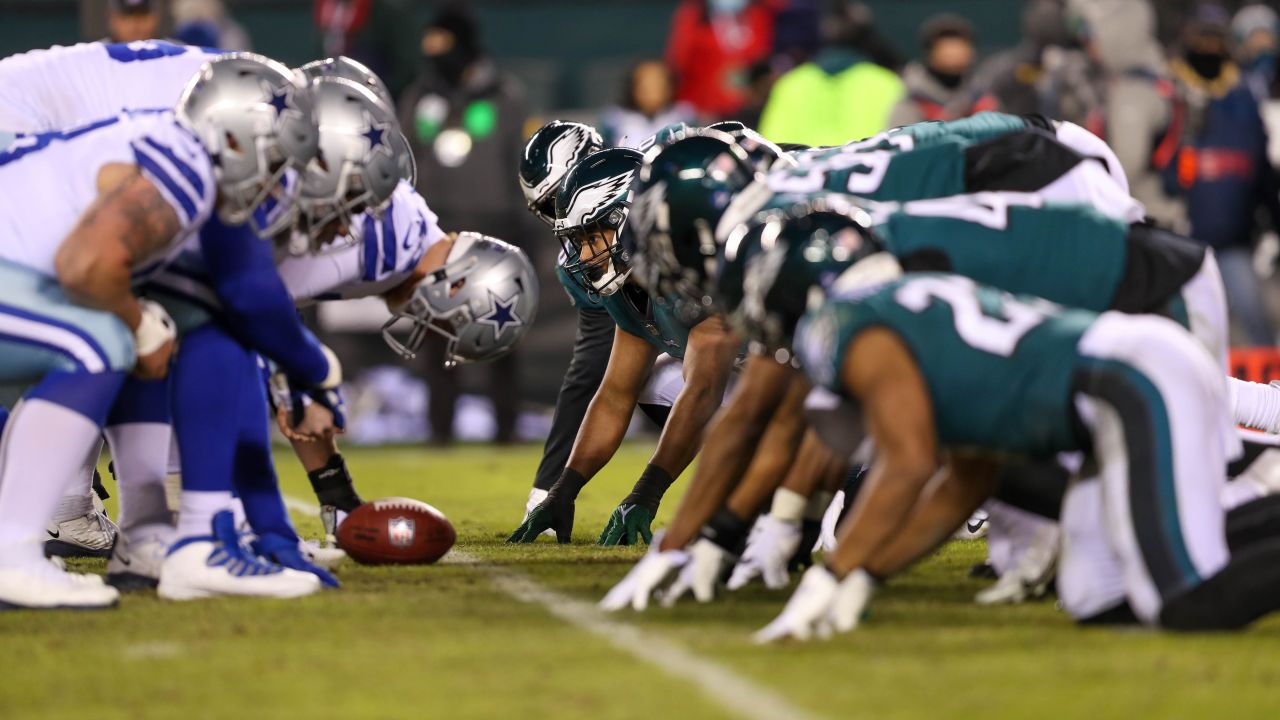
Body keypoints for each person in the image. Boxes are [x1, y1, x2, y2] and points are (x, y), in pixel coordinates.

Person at [0, 52, 321, 609]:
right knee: (100, 341)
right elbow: (86, 266)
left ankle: (155, 534)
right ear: (237, 139)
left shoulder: (172, 153)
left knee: (146, 329)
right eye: (275, 157)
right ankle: (13, 552)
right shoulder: (186, 161)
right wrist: (139, 324)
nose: (278, 179)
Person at [508, 140, 744, 546]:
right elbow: (615, 393)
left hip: (831, 391)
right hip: (771, 380)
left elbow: (704, 388)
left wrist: (645, 495)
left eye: (592, 234)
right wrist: (564, 489)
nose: (583, 252)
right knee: (652, 383)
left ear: (631, 221)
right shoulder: (629, 284)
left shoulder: (696, 260)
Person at [399, 1, 530, 444]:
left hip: (496, 232)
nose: (432, 50)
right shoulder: (419, 98)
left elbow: (521, 164)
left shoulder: (507, 97)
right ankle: (441, 433)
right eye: (427, 42)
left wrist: (519, 222)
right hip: (437, 234)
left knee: (501, 334)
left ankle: (506, 431)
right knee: (436, 335)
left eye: (440, 41)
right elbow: (406, 164)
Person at [1166, 3, 1280, 347]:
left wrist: (1272, 224)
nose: (1208, 48)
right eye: (1201, 38)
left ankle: (1265, 395)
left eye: (1215, 39)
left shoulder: (1242, 98)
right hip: (1181, 240)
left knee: (1255, 325)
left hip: (1234, 242)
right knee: (1182, 331)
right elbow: (1162, 176)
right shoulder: (1172, 95)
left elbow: (1261, 173)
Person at [1068, 0, 1186, 229]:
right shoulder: (1151, 77)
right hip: (1154, 214)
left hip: (1144, 218)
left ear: (1115, 32)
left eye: (1090, 32)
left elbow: (1126, 165)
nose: (1087, 43)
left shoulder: (1133, 91)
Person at [758, 1, 903, 146]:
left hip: (802, 167)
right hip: (867, 167)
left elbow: (771, 148)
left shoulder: (791, 83)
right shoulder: (886, 82)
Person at [665, 0, 775, 118]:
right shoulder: (693, 15)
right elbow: (679, 62)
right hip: (700, 111)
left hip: (746, 110)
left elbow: (762, 58)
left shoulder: (759, 15)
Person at [889, 14, 994, 127]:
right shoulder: (912, 104)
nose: (955, 54)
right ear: (930, 54)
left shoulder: (982, 96)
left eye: (960, 47)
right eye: (947, 49)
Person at [314, 0, 418, 99]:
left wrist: (383, 93)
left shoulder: (385, 12)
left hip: (376, 96)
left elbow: (405, 65)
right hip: (332, 92)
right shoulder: (327, 9)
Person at [599, 60, 697, 149]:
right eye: (645, 85)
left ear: (670, 86)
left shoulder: (684, 116)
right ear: (632, 88)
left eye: (659, 84)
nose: (652, 91)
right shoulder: (613, 120)